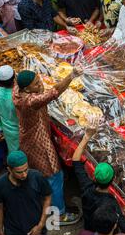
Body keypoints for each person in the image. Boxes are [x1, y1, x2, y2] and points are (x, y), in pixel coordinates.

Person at [12, 69, 82, 226]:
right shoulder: (31, 101)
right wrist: (71, 75)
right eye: (36, 84)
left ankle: (42, 198)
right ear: (27, 90)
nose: (40, 83)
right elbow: (55, 91)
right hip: (39, 141)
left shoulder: (17, 90)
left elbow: (22, 78)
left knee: (42, 174)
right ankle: (58, 215)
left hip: (27, 138)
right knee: (54, 176)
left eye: (38, 79)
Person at [71, 128, 125, 235]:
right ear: (113, 180)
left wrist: (86, 137)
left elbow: (75, 160)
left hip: (89, 227)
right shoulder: (111, 204)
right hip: (104, 234)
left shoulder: (86, 186)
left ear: (94, 176)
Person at [0, 151, 52, 235]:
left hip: (37, 230)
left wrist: (40, 225)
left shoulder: (37, 177)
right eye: (19, 172)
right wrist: (1, 233)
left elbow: (47, 198)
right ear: (9, 169)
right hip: (14, 234)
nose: (24, 174)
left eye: (26, 169)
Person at [0, 65, 19, 152]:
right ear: (14, 77)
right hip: (20, 130)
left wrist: (0, 128)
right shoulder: (17, 95)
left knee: (13, 151)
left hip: (7, 130)